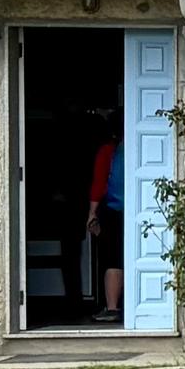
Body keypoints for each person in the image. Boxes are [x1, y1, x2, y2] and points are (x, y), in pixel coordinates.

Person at [85, 132, 124, 321]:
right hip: (141, 208)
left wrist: (92, 212)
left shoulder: (109, 151)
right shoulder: (142, 147)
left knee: (112, 257)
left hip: (113, 209)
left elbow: (99, 182)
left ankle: (112, 308)